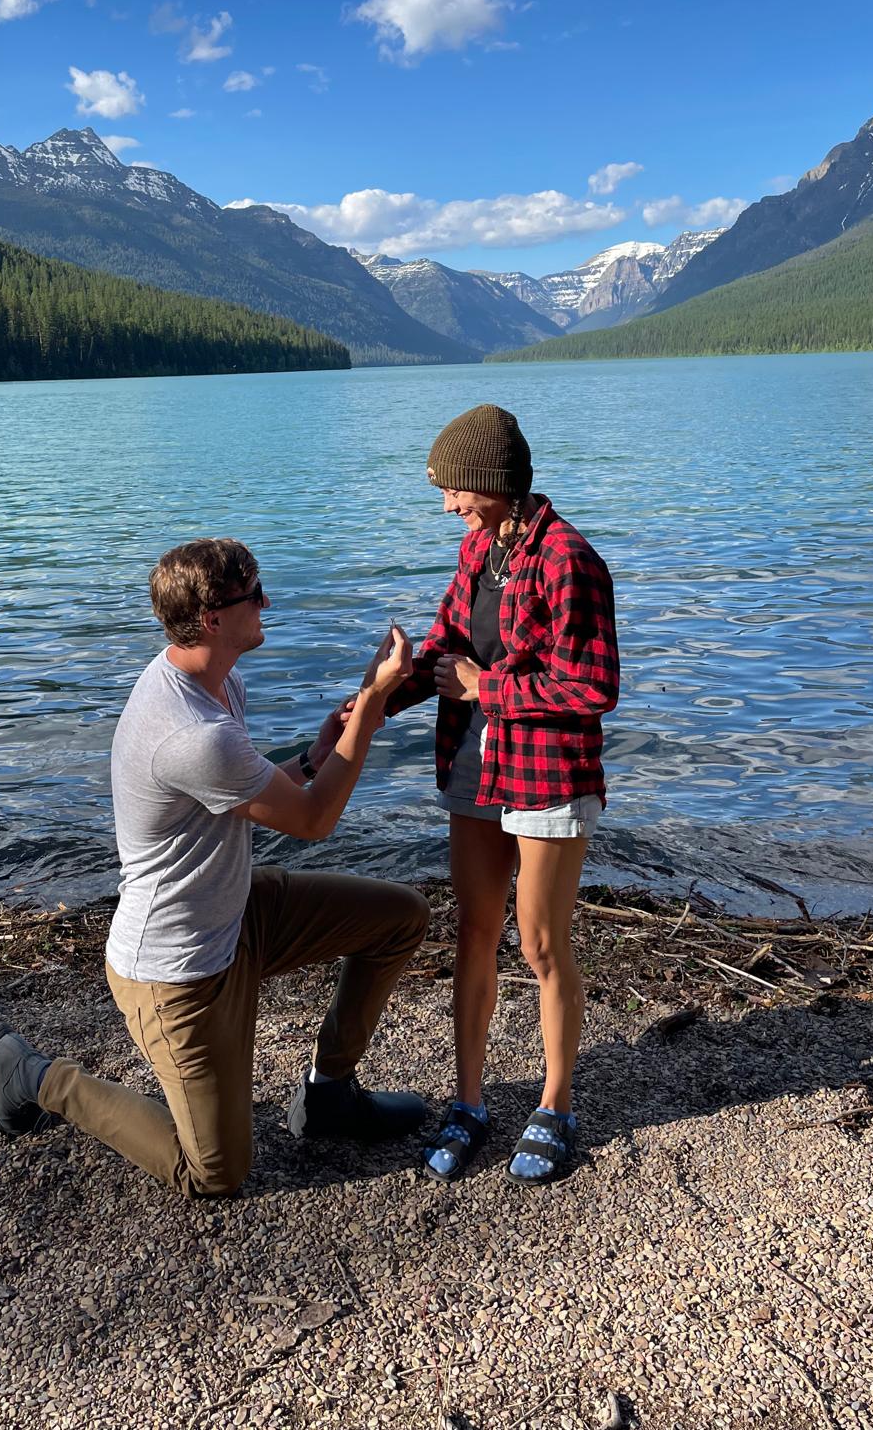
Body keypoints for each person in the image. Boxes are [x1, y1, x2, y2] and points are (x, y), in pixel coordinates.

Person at [0, 537, 430, 1199]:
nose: (267, 603)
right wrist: (368, 717)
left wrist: (318, 752)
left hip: (238, 909)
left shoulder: (212, 684)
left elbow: (256, 794)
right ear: (214, 618)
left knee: (399, 919)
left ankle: (330, 1094)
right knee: (215, 1173)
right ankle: (37, 1076)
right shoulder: (194, 731)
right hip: (177, 970)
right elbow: (312, 823)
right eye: (255, 594)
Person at [385, 404, 618, 1185]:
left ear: (492, 483)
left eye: (454, 488)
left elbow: (593, 685)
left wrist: (492, 688)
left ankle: (554, 1106)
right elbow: (447, 649)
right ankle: (472, 1102)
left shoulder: (569, 561)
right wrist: (375, 702)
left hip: (548, 770)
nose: (447, 503)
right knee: (474, 934)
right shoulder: (479, 551)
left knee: (542, 943)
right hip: (474, 765)